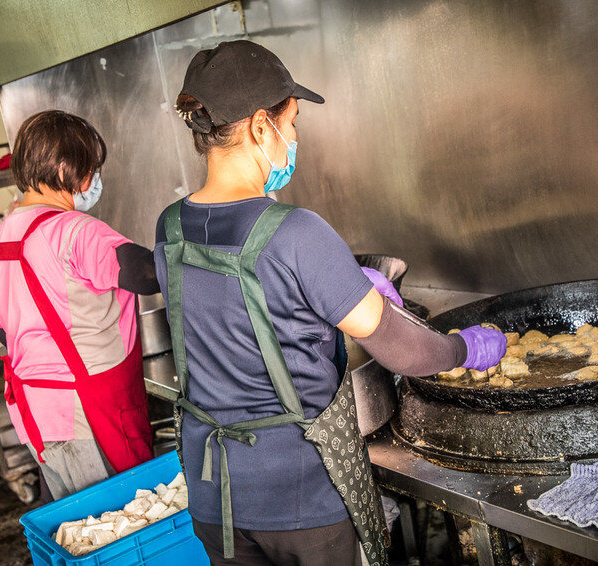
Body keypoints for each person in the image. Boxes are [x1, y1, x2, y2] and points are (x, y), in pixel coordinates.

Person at [154, 40, 506, 566]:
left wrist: (339, 281)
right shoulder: (296, 231)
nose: (294, 138)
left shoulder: (171, 225)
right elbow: (408, 353)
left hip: (216, 497)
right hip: (300, 500)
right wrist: (462, 348)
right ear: (258, 127)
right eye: (292, 123)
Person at [0, 110, 159, 500]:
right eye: (90, 168)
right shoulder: (73, 230)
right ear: (67, 168)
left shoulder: (1, 239)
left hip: (35, 411)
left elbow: (3, 329)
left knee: (80, 526)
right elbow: (146, 273)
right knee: (123, 522)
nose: (92, 180)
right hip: (88, 410)